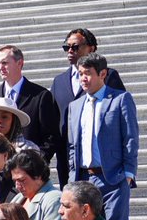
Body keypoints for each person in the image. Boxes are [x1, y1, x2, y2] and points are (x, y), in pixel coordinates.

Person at [67, 53, 139, 220]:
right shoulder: (75, 106)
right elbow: (73, 146)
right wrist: (72, 175)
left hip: (112, 178)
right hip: (83, 179)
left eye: (88, 73)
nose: (83, 78)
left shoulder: (120, 99)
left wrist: (128, 174)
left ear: (103, 73)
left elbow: (130, 138)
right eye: (80, 73)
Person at [50, 29, 127, 185]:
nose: (70, 51)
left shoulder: (108, 76)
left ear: (91, 48)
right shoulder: (59, 81)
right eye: (67, 47)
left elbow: (121, 118)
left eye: (76, 46)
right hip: (69, 158)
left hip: (101, 161)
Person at [0, 45, 60, 157]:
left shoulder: (40, 95)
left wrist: (36, 162)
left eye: (4, 63)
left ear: (20, 63)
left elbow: (51, 136)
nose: (0, 68)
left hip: (29, 166)